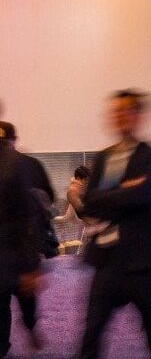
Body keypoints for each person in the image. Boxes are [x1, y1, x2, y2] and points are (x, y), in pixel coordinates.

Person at [78, 90, 151, 359]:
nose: (119, 116)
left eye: (126, 111)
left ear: (139, 116)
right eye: (116, 111)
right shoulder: (103, 157)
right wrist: (125, 190)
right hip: (106, 260)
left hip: (142, 262)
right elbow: (89, 203)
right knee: (91, 334)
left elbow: (147, 195)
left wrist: (109, 196)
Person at [0, 119, 54, 352]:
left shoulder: (27, 165)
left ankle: (30, 328)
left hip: (22, 246)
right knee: (8, 299)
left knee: (25, 297)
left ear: (13, 141)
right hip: (13, 248)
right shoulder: (29, 164)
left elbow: (42, 204)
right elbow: (49, 198)